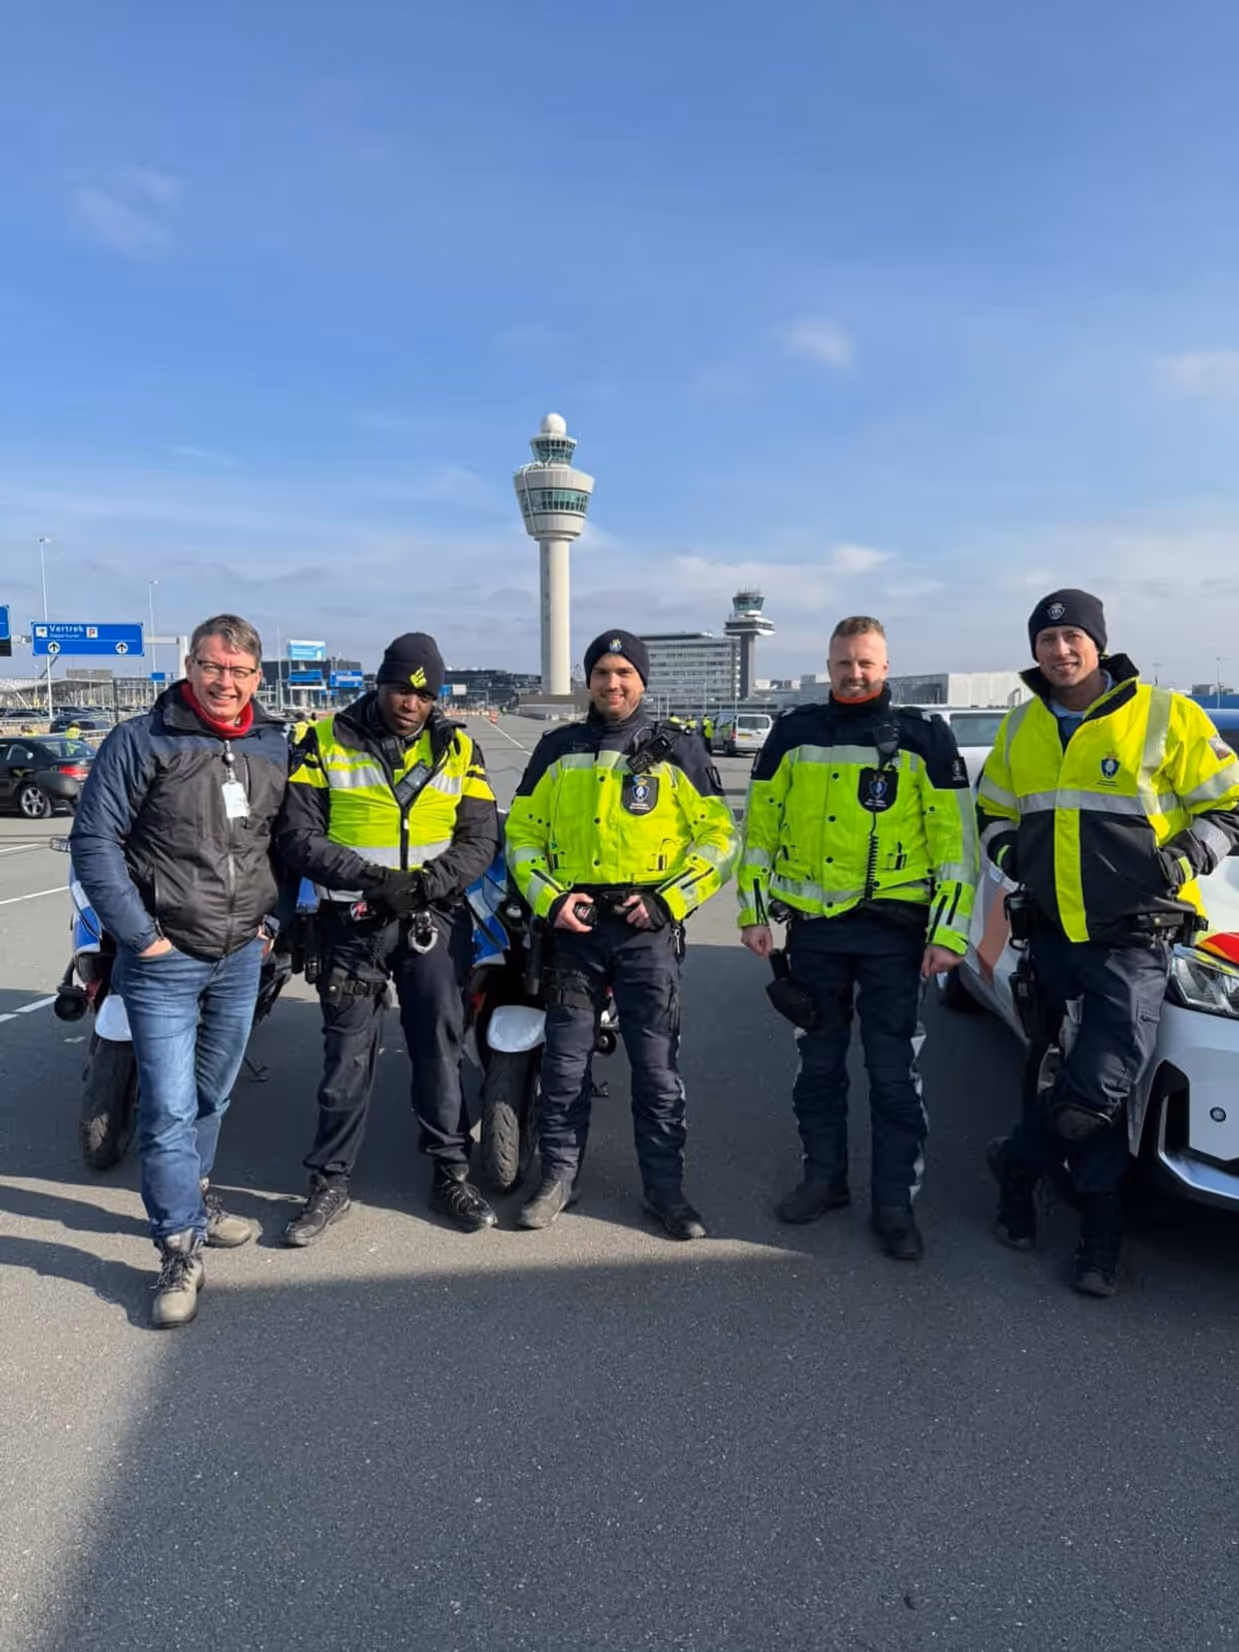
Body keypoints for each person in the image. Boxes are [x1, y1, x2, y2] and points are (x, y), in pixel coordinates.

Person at [979, 590, 1239, 1296]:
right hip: (1051, 935)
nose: (1060, 651)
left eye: (1072, 637)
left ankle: (1017, 1163)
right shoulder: (1020, 726)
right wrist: (1015, 861)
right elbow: (993, 814)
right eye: (1046, 639)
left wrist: (1180, 858)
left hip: (1137, 935)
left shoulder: (1164, 713)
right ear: (1033, 649)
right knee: (1060, 1075)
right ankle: (1097, 1241)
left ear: (1097, 642)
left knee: (1093, 1089)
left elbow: (1229, 806)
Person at [71, 615, 289, 1328]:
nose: (223, 682)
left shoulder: (270, 745)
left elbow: (284, 843)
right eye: (211, 667)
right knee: (164, 1108)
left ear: (258, 676)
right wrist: (140, 937)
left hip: (239, 956)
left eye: (238, 671)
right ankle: (177, 1244)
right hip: (165, 958)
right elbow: (94, 839)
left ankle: (193, 1196)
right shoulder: (142, 740)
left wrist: (270, 923)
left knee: (211, 1097)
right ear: (190, 666)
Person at [738, 616, 976, 1261]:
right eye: (844, 662)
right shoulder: (793, 732)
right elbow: (759, 829)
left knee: (894, 1076)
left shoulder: (925, 737)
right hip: (814, 934)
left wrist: (950, 933)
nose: (855, 673)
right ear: (829, 664)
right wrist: (753, 913)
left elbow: (955, 847)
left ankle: (895, 1203)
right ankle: (825, 1179)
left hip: (894, 938)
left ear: (885, 665)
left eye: (866, 663)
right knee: (817, 1069)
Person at [504, 629, 739, 1238]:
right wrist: (551, 899)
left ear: (642, 680)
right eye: (603, 672)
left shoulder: (678, 748)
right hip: (574, 934)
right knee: (563, 1066)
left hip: (646, 937)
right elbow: (522, 837)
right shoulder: (556, 748)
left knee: (656, 1071)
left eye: (625, 673)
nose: (613, 683)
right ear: (589, 680)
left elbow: (720, 840)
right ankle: (558, 1177)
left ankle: (665, 1190)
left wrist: (669, 900)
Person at [277, 632, 499, 1242]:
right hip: (351, 925)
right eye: (402, 688)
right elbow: (298, 836)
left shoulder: (459, 750)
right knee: (347, 1055)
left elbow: (480, 839)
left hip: (432, 921)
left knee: (440, 1047)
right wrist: (375, 880)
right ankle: (328, 1183)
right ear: (381, 684)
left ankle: (450, 1170)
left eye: (425, 694)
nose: (412, 703)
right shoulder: (320, 742)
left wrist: (425, 886)